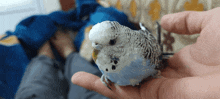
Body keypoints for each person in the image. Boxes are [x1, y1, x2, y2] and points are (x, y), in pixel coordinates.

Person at [16, 7, 220, 99]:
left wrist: (155, 69)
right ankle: (67, 54)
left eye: (109, 43)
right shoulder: (101, 53)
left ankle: (51, 58)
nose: (97, 52)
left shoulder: (143, 53)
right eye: (95, 45)